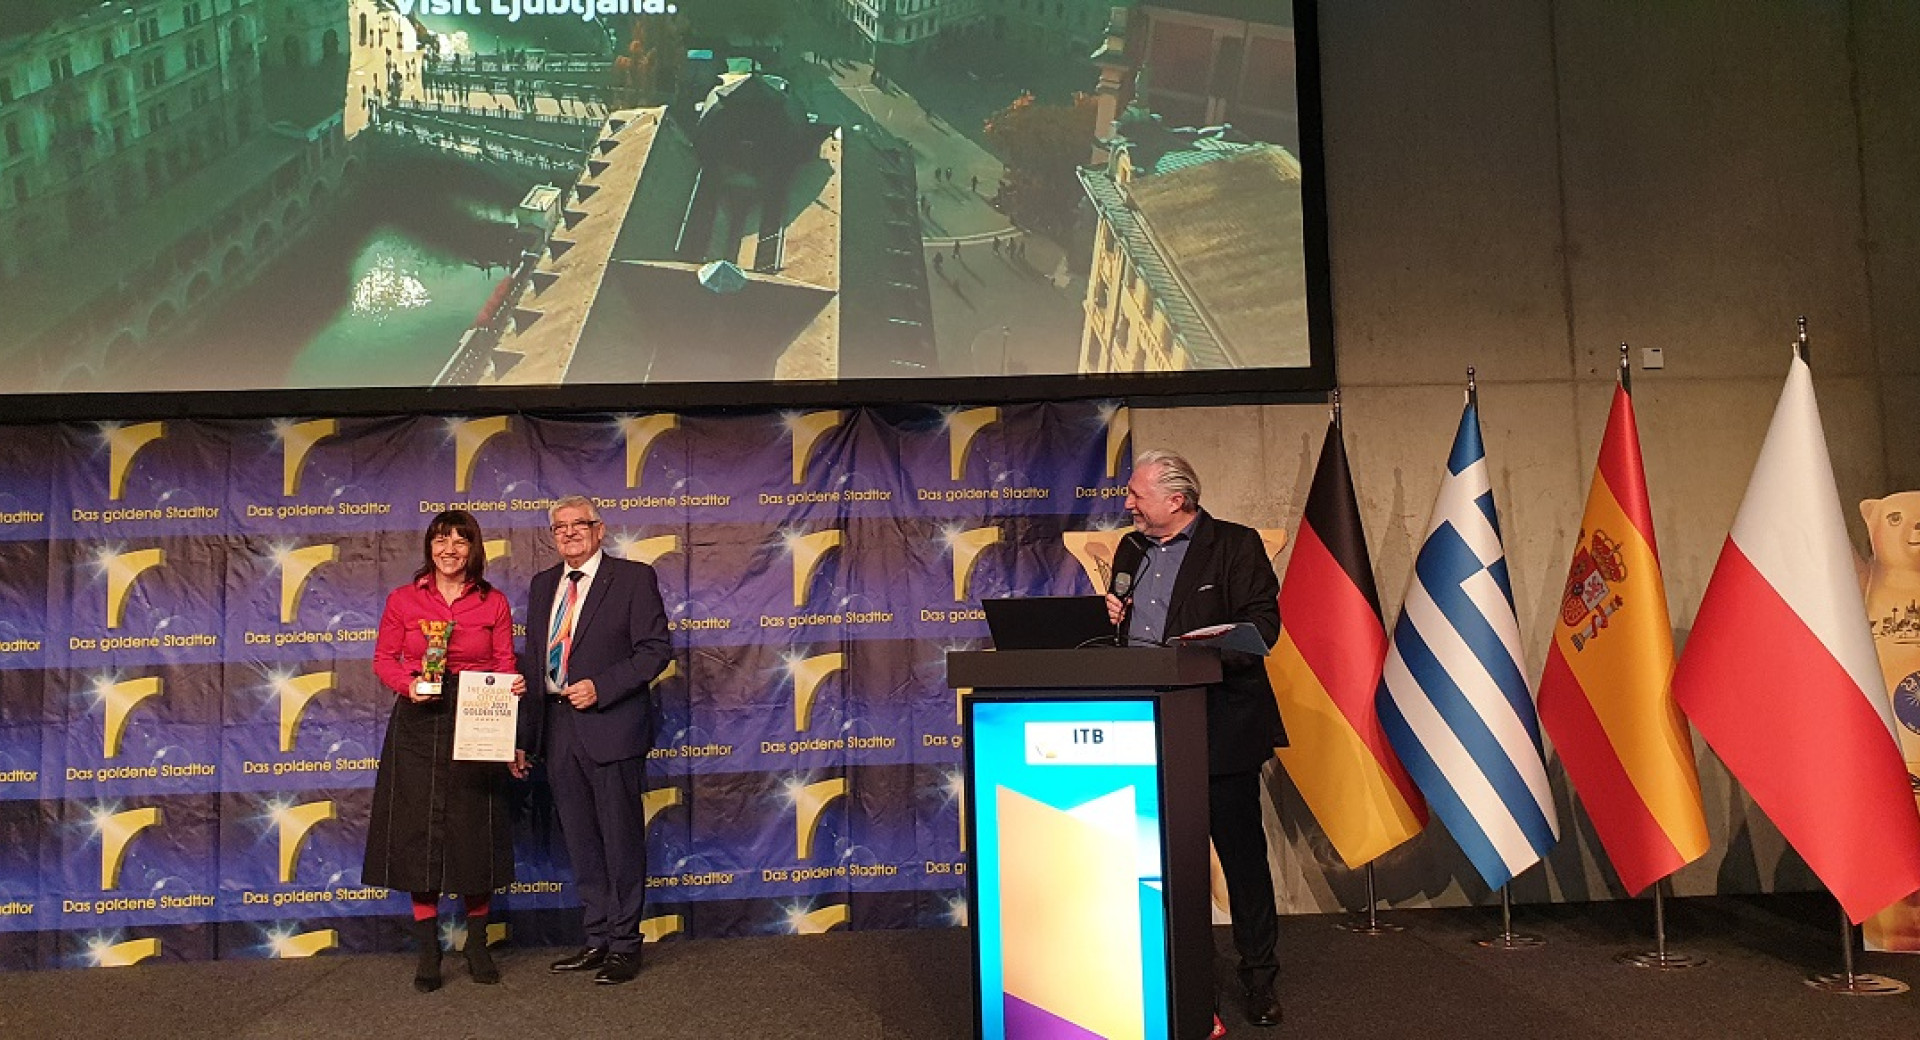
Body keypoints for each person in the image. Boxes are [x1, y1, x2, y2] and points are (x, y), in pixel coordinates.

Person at [1104, 449, 1285, 1029]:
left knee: (1241, 858)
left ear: (1176, 500)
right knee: (1163, 866)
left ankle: (1259, 977)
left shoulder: (1235, 545)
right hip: (1144, 727)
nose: (1126, 503)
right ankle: (1185, 978)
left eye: (1135, 494)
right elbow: (1128, 635)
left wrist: (1194, 656)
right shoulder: (1131, 550)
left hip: (1220, 726)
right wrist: (1112, 620)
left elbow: (1262, 630)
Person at [363, 510, 526, 991]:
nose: (449, 549)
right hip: (418, 716)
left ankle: (476, 942)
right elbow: (383, 659)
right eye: (440, 539)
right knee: (419, 831)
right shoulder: (403, 599)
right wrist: (407, 685)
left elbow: (504, 661)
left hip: (478, 712)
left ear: (473, 548)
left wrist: (511, 689)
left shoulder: (493, 602)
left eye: (460, 540)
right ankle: (428, 948)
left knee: (474, 828)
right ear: (429, 547)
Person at [515, 495, 672, 985]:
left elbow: (655, 650)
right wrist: (524, 735)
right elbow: (537, 661)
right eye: (558, 527)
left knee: (620, 839)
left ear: (599, 529)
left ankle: (626, 945)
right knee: (581, 842)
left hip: (611, 727)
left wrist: (602, 686)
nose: (568, 533)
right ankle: (598, 937)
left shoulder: (633, 578)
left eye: (577, 524)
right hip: (557, 730)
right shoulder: (543, 586)